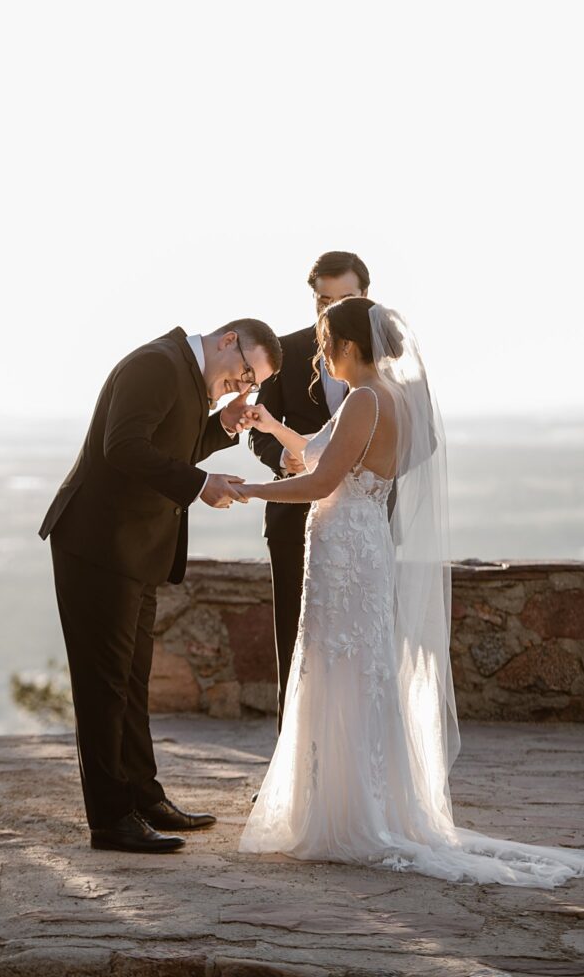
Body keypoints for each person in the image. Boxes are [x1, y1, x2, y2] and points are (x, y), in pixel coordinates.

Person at [235, 297, 584, 886]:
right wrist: (270, 426)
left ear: (349, 345)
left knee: (338, 666)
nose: (320, 355)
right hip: (363, 541)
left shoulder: (363, 401)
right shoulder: (389, 397)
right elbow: (323, 453)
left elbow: (320, 480)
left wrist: (249, 490)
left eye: (325, 343)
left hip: (345, 549)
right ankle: (361, 798)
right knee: (357, 668)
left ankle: (344, 813)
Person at [39, 320, 282, 854]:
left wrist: (222, 425)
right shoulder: (157, 364)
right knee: (104, 689)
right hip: (97, 546)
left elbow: (173, 447)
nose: (243, 386)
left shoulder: (190, 375)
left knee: (131, 683)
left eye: (253, 384)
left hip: (135, 552)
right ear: (227, 341)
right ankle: (111, 819)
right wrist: (200, 485)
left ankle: (144, 799)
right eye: (245, 373)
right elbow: (123, 446)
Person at [250, 250, 371, 731]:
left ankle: (358, 752)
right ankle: (293, 759)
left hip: (363, 526)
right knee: (294, 641)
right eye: (324, 301)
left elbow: (416, 441)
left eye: (345, 299)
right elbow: (260, 433)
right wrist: (284, 459)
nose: (333, 310)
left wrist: (361, 467)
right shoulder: (284, 352)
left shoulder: (391, 362)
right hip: (293, 522)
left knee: (361, 645)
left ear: (366, 296)